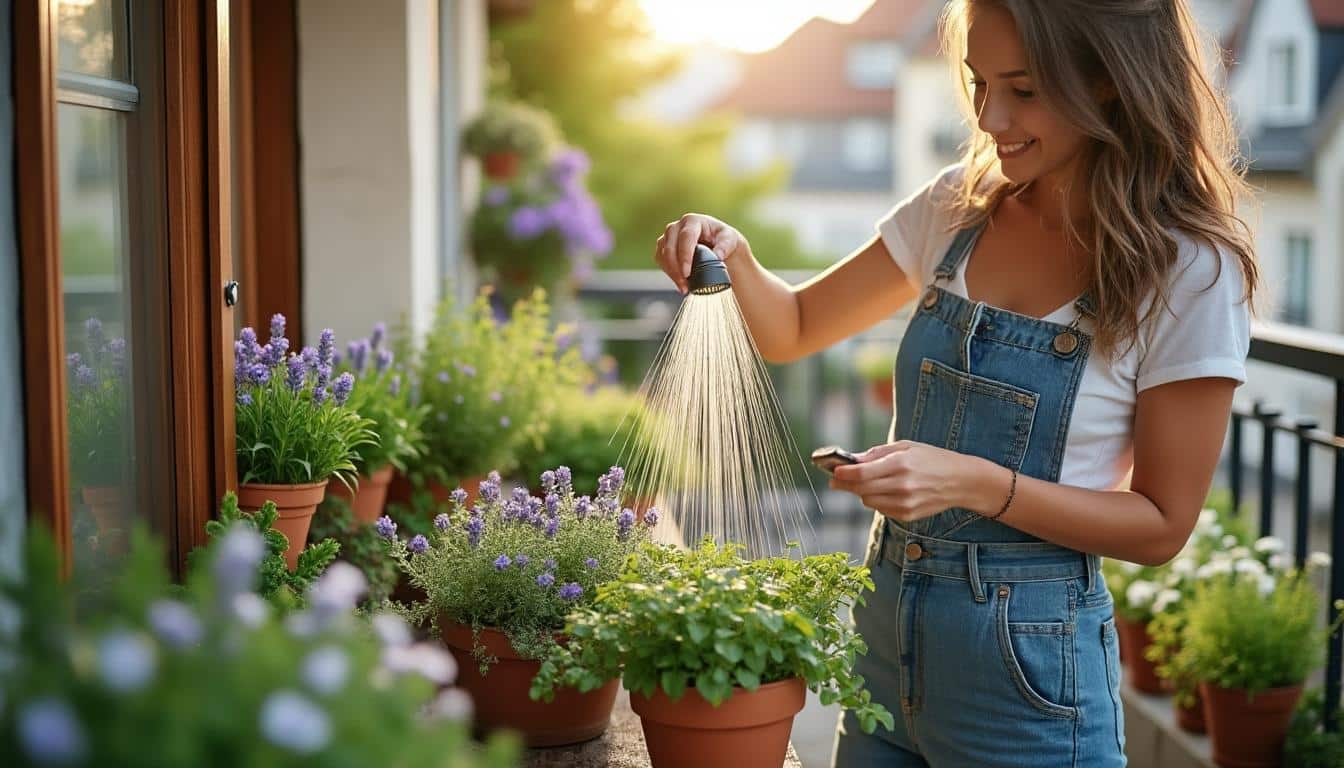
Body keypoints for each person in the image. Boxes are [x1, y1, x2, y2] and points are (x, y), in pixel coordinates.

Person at [653, 1, 1260, 765]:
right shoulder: (960, 202)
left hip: (1028, 682)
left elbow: (1163, 525)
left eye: (1024, 89)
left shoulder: (1189, 270)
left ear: (1109, 82)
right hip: (882, 647)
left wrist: (970, 482)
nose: (990, 116)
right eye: (978, 82)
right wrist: (734, 254)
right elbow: (796, 326)